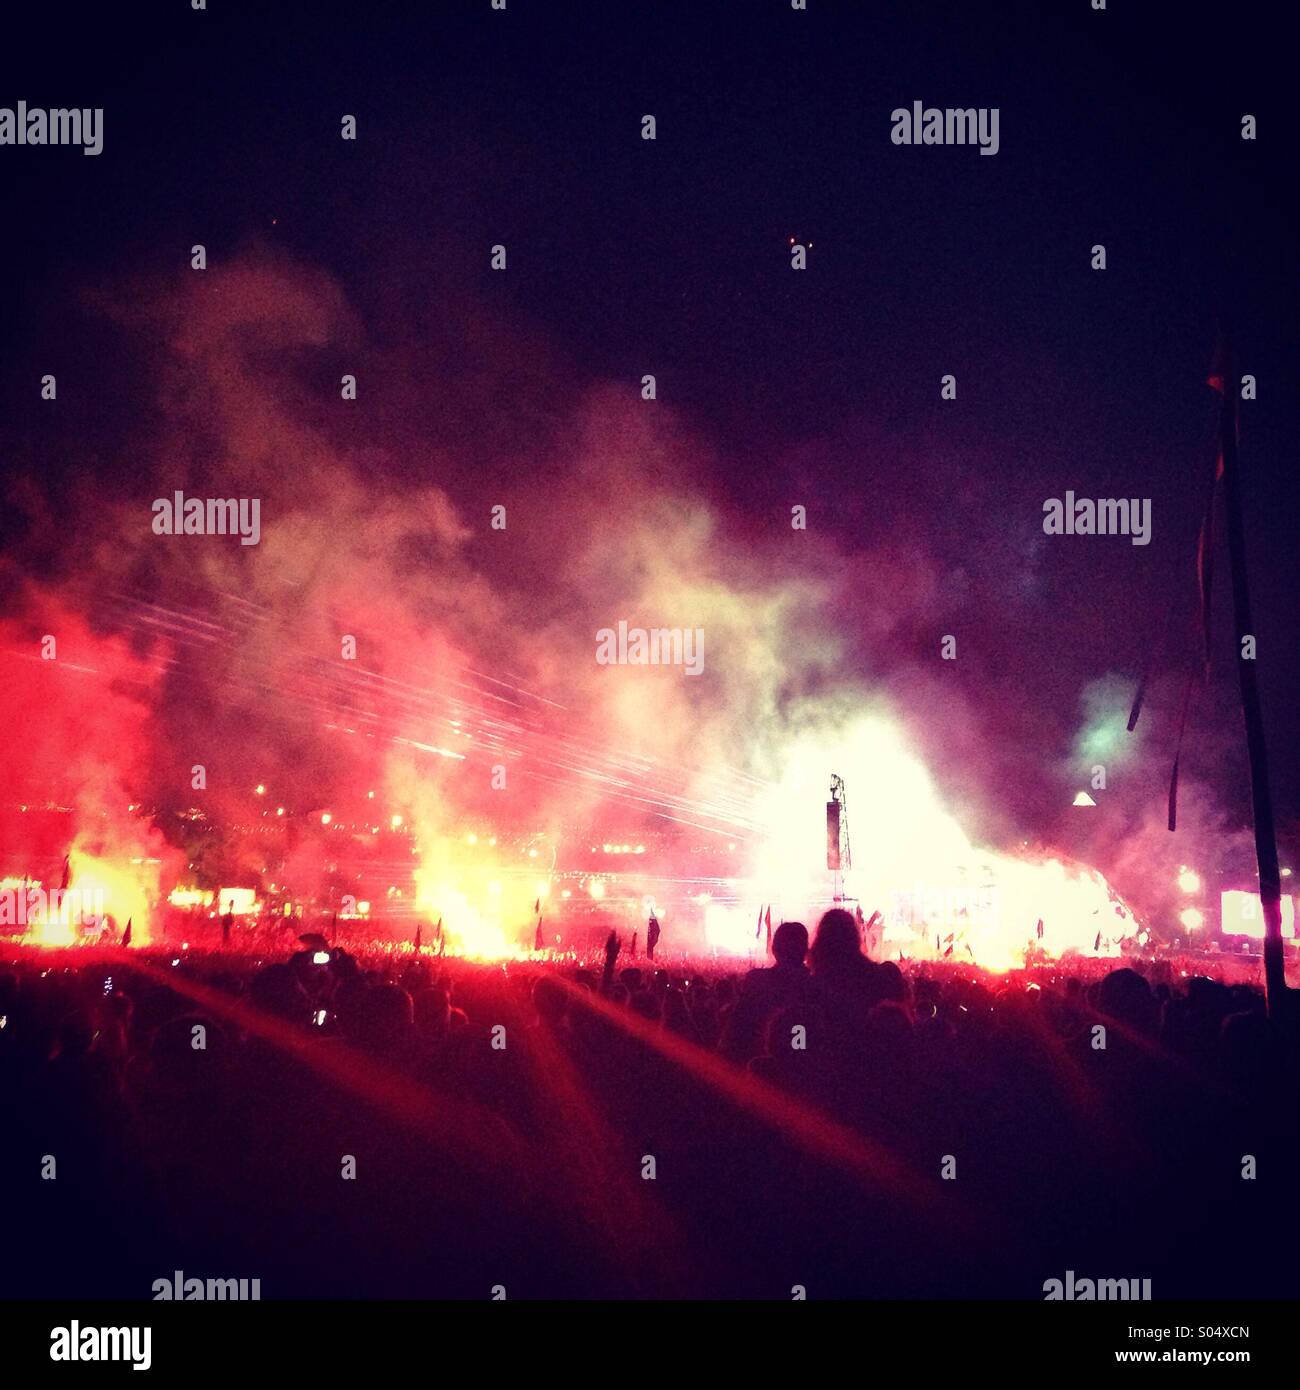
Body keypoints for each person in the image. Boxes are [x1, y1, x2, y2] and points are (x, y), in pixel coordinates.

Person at [720, 921, 815, 1063]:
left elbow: (736, 1032)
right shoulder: (814, 984)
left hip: (756, 1068)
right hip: (801, 1072)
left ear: (774, 949)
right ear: (805, 951)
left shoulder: (756, 981)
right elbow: (803, 1037)